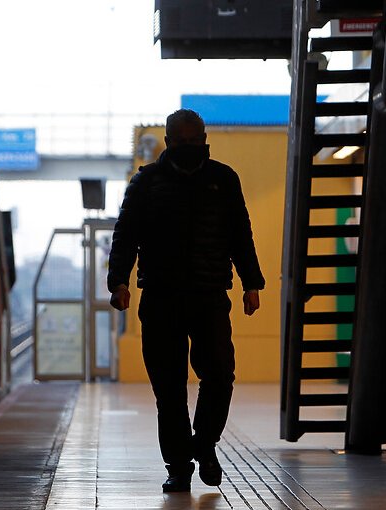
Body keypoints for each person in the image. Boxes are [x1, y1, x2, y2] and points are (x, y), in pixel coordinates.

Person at [107, 109, 264, 492]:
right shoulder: (146, 184)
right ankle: (179, 465)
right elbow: (125, 235)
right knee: (169, 387)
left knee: (220, 376)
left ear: (205, 138)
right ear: (169, 141)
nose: (193, 147)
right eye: (185, 142)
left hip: (210, 294)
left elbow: (240, 231)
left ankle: (205, 444)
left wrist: (251, 282)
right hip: (161, 297)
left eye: (198, 141)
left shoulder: (224, 180)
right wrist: (118, 283)